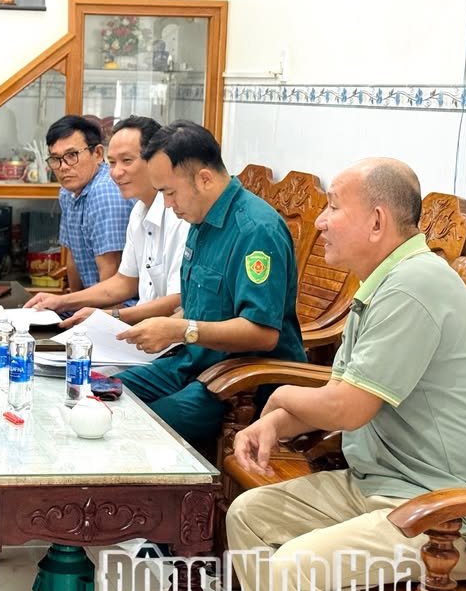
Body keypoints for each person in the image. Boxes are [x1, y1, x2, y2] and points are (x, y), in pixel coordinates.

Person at [226, 158, 466, 591]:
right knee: (249, 516)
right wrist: (273, 424)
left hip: (440, 512)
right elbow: (339, 393)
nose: (320, 221)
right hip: (379, 484)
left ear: (377, 221)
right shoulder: (385, 282)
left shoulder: (415, 286)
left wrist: (279, 396)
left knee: (298, 568)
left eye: (334, 207)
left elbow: (348, 408)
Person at [114, 121, 305, 447]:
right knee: (101, 393)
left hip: (238, 380)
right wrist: (150, 327)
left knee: (142, 432)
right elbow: (197, 307)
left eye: (170, 192)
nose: (168, 205)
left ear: (204, 178)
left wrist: (179, 330)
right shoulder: (200, 218)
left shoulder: (256, 230)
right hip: (191, 363)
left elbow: (263, 333)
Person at [25, 116, 188, 326]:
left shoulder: (179, 215)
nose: (116, 173)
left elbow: (178, 299)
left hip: (158, 330)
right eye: (112, 163)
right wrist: (62, 301)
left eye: (127, 161)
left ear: (157, 160)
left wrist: (108, 317)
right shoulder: (139, 211)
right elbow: (124, 281)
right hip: (137, 324)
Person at [48, 114, 135, 292]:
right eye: (56, 159)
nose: (63, 166)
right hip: (90, 299)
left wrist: (78, 306)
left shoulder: (104, 193)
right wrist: (72, 302)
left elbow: (111, 273)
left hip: (123, 305)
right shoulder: (67, 191)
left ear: (98, 154)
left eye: (72, 155)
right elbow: (73, 256)